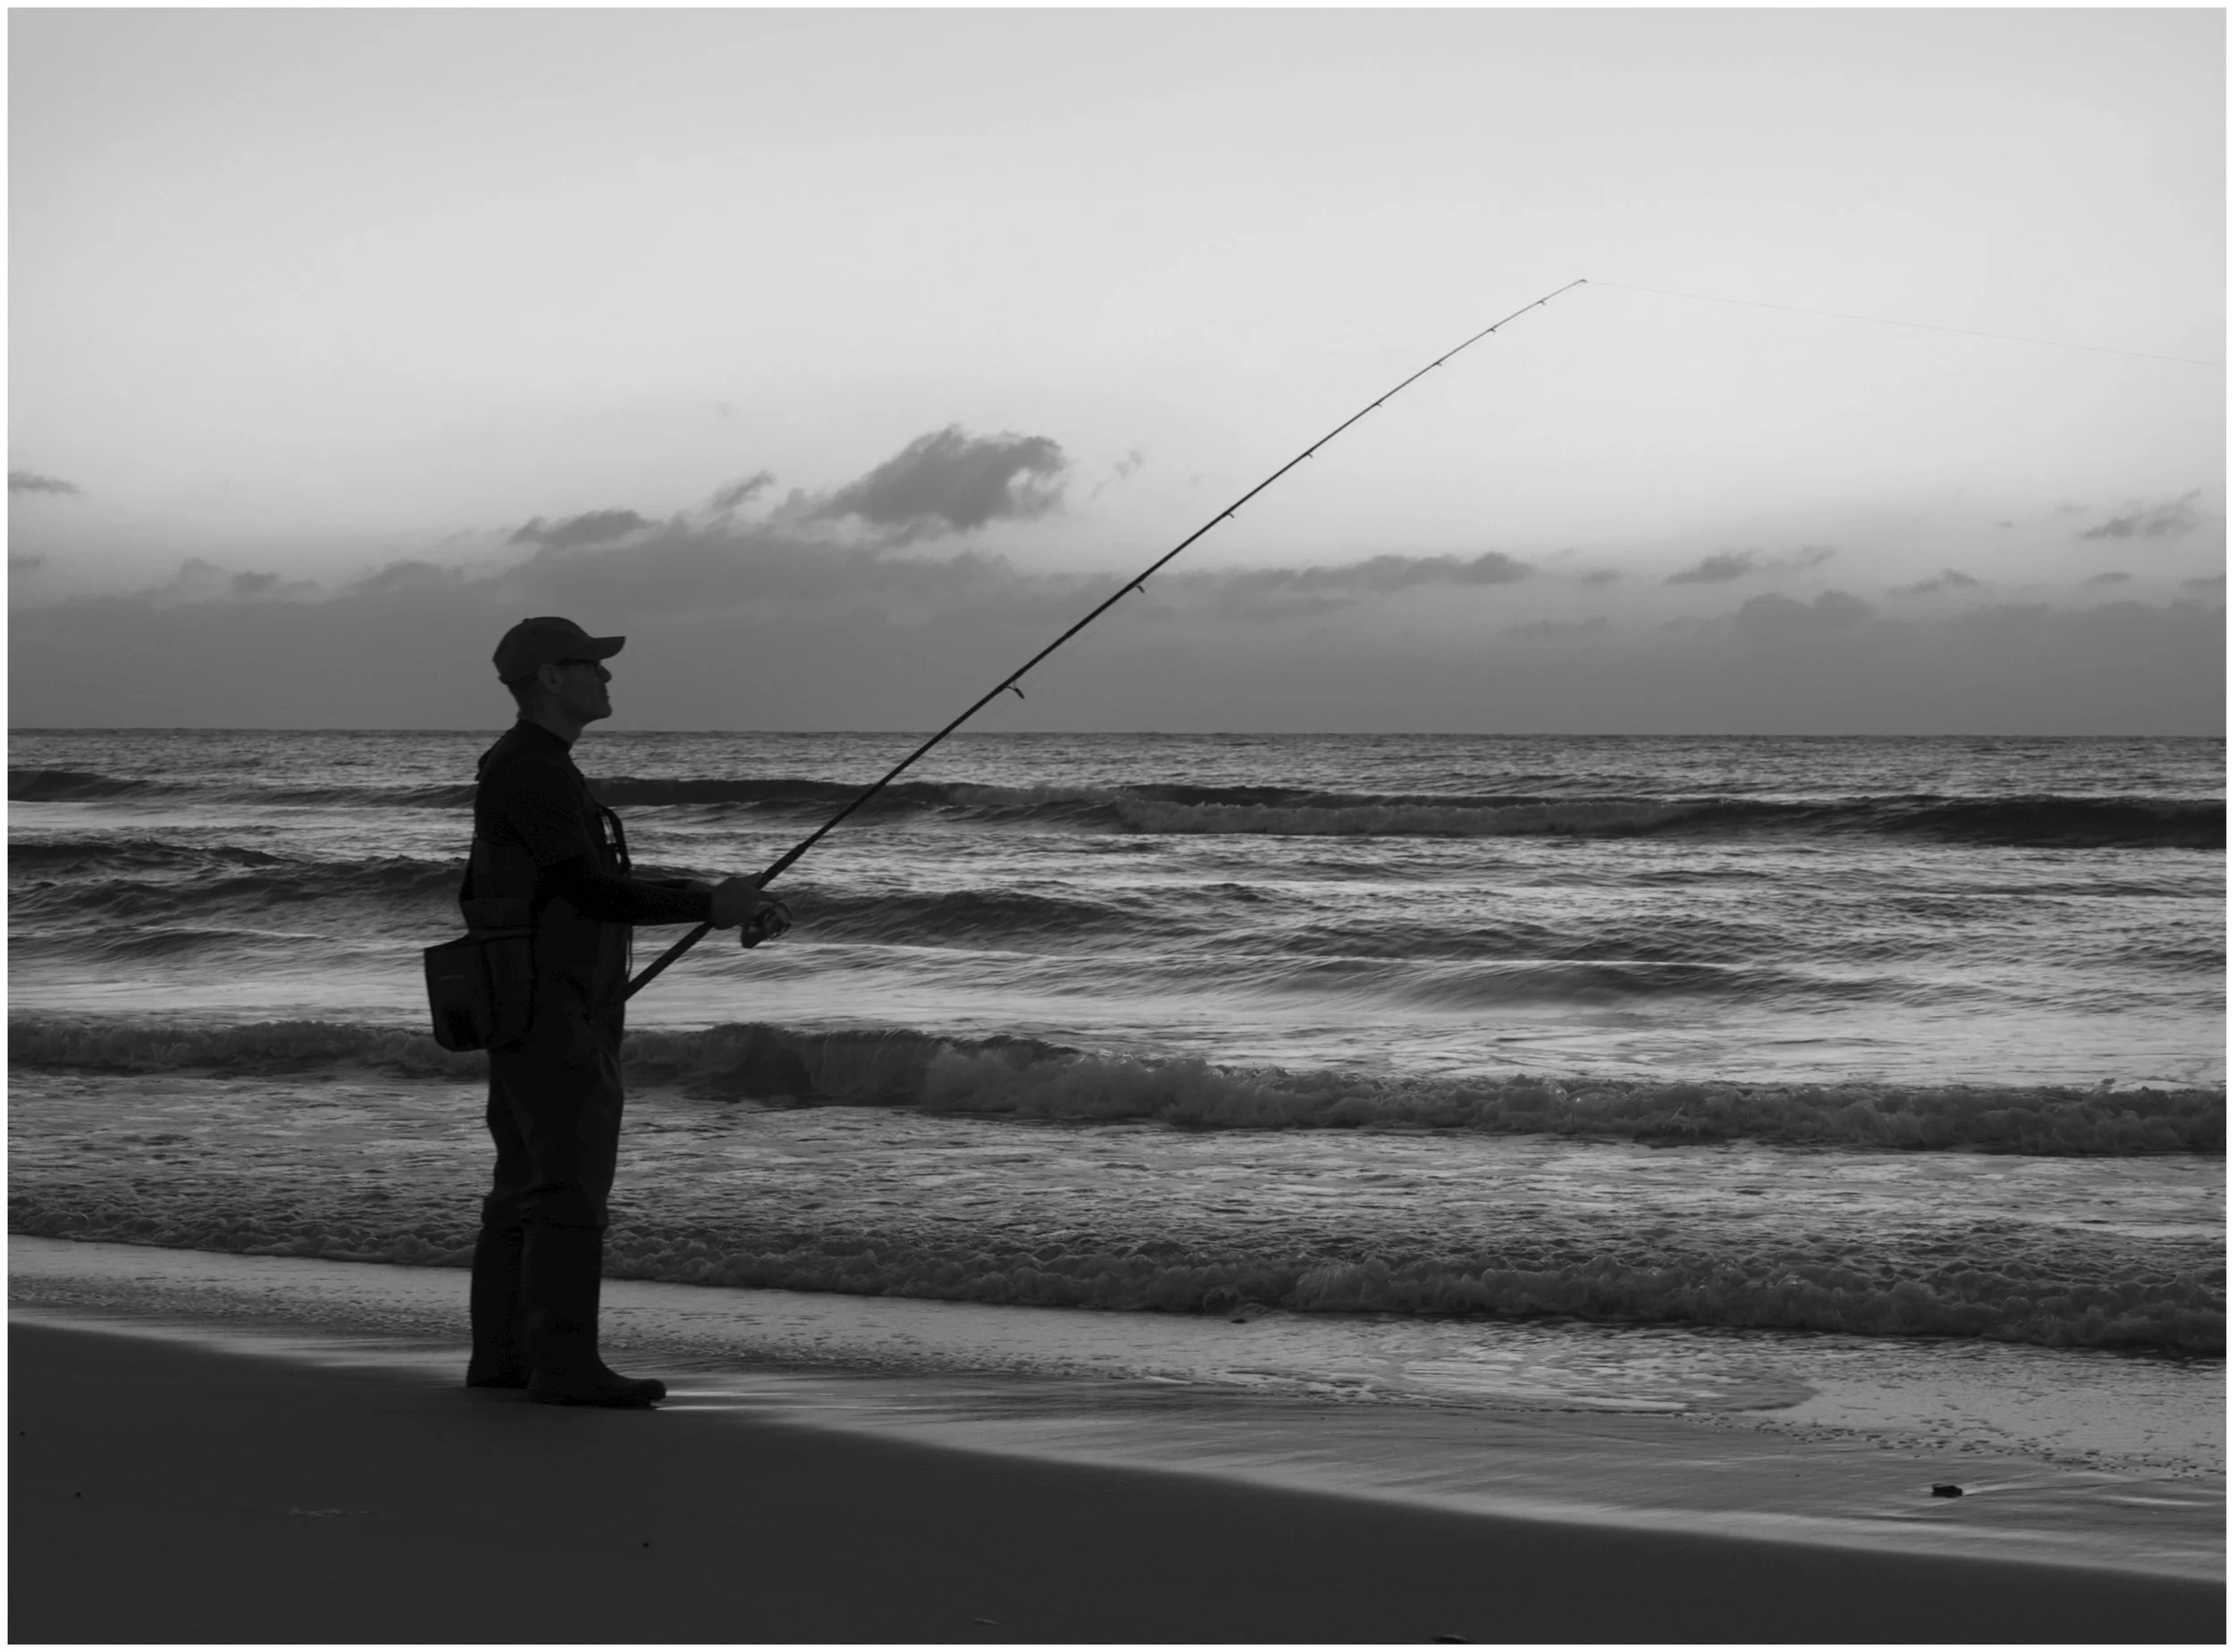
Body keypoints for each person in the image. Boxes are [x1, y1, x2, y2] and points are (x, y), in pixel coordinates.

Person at [464, 616, 768, 1407]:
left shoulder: (529, 765)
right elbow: (589, 890)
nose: (607, 676)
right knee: (566, 1182)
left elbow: (576, 884)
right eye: (590, 664)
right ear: (551, 678)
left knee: (524, 1180)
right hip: (552, 1006)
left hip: (534, 999)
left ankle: (503, 1360)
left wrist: (716, 902)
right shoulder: (534, 770)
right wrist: (710, 901)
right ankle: (564, 1365)